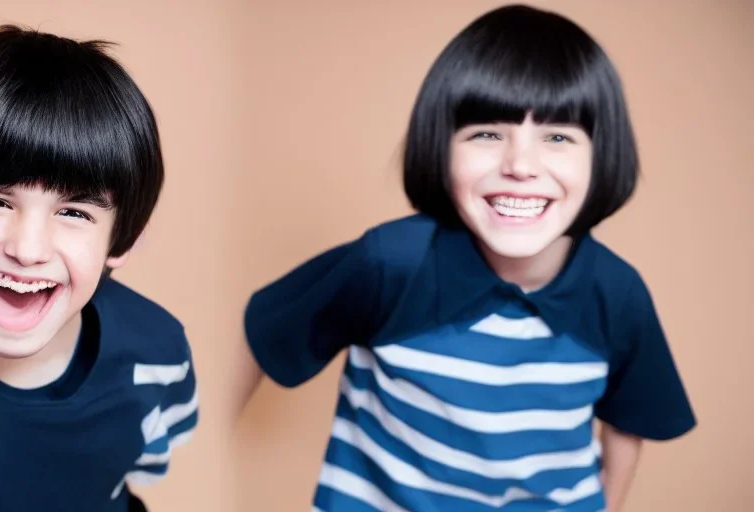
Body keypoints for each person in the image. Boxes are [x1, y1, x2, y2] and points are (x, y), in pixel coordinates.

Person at [242, 4, 696, 511]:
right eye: (486, 133)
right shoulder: (390, 263)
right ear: (441, 145)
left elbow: (626, 424)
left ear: (601, 155)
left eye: (558, 137)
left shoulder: (617, 294)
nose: (520, 165)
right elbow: (258, 337)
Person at [0, 26, 198, 511]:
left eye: (74, 212)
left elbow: (144, 464)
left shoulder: (157, 352)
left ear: (120, 242)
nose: (28, 248)